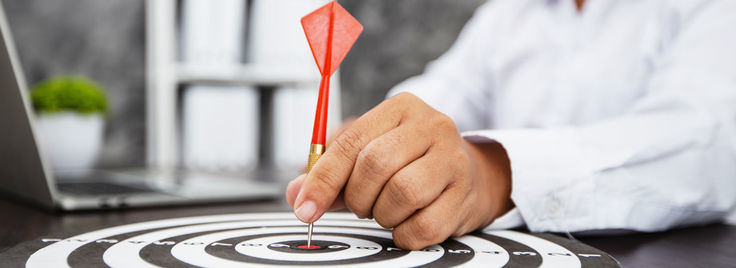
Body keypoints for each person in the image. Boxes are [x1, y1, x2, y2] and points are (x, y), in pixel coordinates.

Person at [285, 0, 736, 250]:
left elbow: (706, 144)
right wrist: (373, 137)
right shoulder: (505, 16)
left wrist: (492, 173)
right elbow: (437, 96)